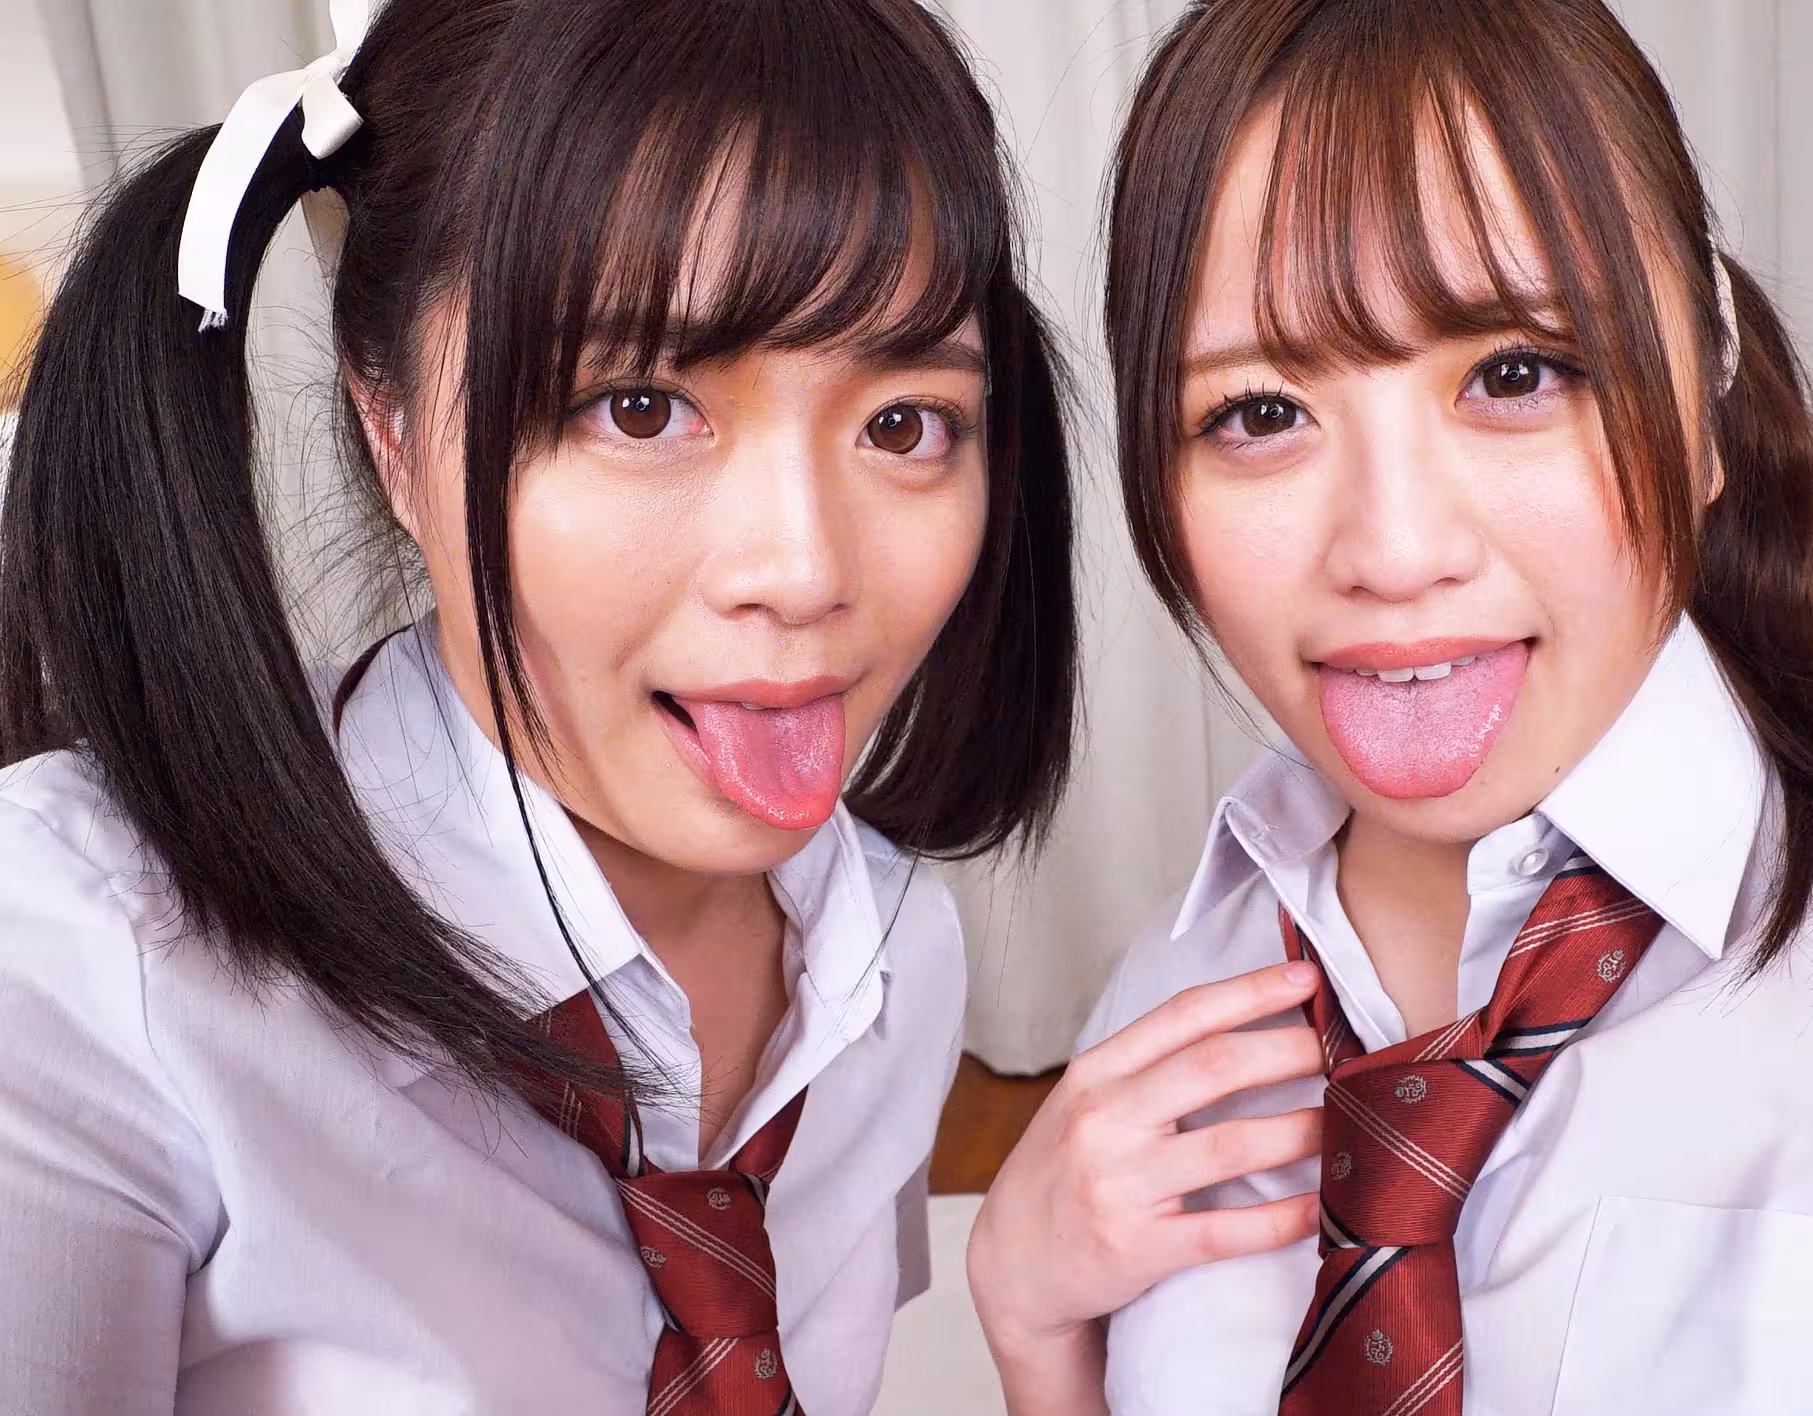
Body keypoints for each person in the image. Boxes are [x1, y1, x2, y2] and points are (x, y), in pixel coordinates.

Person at [967, 1, 1813, 1412]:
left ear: (1704, 396)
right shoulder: (1165, 996)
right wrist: (1034, 1338)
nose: (1395, 551)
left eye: (1515, 375)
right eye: (1261, 413)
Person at [0, 1, 1076, 1411]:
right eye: (639, 409)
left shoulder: (892, 954)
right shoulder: (77, 959)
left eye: (902, 425)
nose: (808, 572)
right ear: (392, 429)